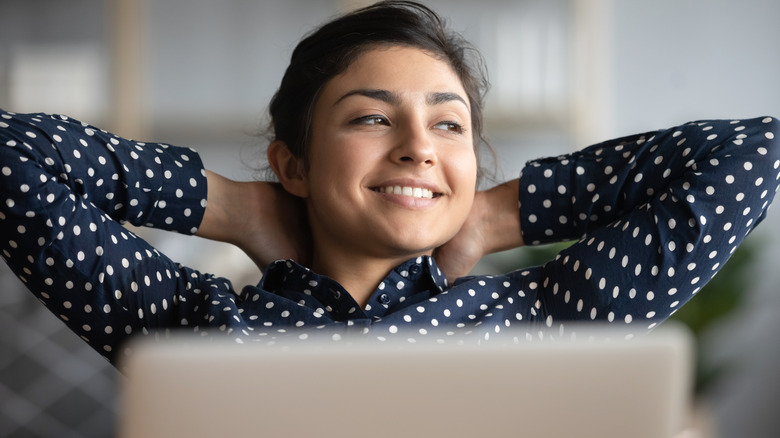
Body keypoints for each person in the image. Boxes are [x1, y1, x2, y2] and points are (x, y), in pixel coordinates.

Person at [0, 1, 778, 366]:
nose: (418, 148)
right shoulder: (187, 324)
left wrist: (495, 218)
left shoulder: (545, 315)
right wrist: (234, 207)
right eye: (372, 119)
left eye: (449, 125)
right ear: (292, 165)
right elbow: (11, 157)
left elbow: (750, 155)